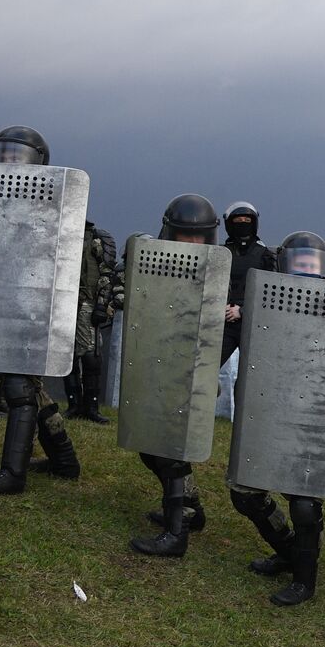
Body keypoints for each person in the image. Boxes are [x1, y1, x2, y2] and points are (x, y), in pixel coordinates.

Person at [230, 232, 325, 605]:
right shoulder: (267, 295)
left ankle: (304, 580)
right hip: (273, 405)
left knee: (304, 503)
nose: (305, 270)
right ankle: (288, 551)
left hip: (317, 414)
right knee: (245, 492)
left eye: (311, 263)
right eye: (298, 263)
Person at [0, 127, 81, 494]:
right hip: (3, 301)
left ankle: (13, 473)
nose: (9, 162)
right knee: (29, 386)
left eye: (17, 155)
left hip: (34, 304)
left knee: (18, 385)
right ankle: (64, 460)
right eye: (4, 154)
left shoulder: (50, 201)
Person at [127, 195, 223, 557]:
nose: (193, 243)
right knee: (149, 447)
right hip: (157, 361)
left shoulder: (216, 271)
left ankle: (176, 533)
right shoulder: (155, 261)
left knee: (169, 451)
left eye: (200, 237)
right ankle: (190, 508)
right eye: (186, 236)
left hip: (191, 369)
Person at [62, 220, 122, 424]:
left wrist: (101, 305)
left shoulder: (95, 238)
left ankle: (91, 407)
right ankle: (74, 404)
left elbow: (106, 273)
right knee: (67, 355)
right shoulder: (64, 233)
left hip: (87, 304)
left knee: (91, 356)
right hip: (65, 304)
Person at [219, 201, 271, 365]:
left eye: (247, 221)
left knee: (254, 372)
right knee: (205, 368)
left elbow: (270, 295)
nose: (243, 224)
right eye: (238, 221)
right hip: (222, 322)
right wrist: (220, 308)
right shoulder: (220, 254)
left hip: (253, 325)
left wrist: (242, 311)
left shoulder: (265, 256)